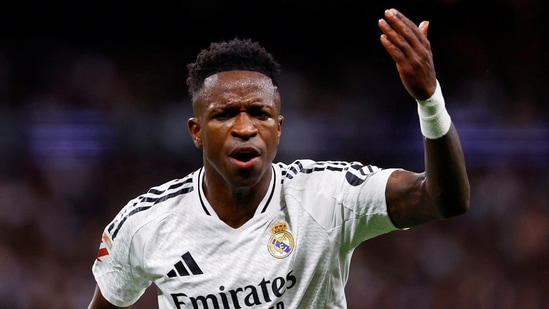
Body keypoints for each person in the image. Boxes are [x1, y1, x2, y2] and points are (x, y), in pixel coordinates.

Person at [88, 8, 470, 309]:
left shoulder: (327, 196)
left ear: (279, 128)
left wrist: (429, 99)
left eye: (260, 113)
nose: (245, 127)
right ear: (196, 131)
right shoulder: (145, 224)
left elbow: (443, 199)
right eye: (224, 114)